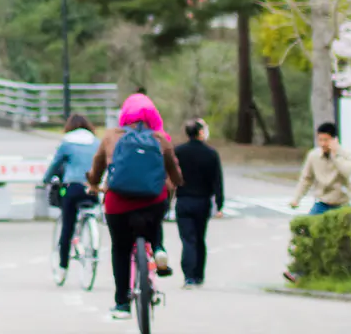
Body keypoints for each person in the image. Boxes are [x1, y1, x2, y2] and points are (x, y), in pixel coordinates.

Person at [88, 93, 183, 320]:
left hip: (118, 203)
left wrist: (93, 183)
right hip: (152, 200)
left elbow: (97, 167)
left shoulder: (111, 137)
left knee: (120, 249)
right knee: (154, 220)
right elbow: (175, 174)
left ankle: (122, 304)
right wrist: (176, 183)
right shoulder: (160, 139)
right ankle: (158, 249)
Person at [41, 113, 100, 273]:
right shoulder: (96, 142)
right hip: (92, 188)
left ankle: (63, 264)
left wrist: (46, 180)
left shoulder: (67, 142)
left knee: (67, 224)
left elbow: (55, 164)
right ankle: (90, 241)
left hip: (72, 187)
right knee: (89, 208)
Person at [173, 119, 225, 288]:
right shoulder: (210, 153)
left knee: (188, 239)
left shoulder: (178, 152)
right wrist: (219, 203)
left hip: (184, 199)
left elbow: (170, 176)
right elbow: (217, 180)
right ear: (200, 132)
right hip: (203, 201)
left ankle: (188, 276)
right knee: (200, 238)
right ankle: (198, 275)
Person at [291, 119, 351, 214]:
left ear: (335, 140)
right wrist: (296, 199)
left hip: (342, 204)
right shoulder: (313, 155)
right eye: (320, 140)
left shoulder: (346, 155)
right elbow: (306, 179)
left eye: (326, 140)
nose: (323, 144)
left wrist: (335, 156)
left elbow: (348, 172)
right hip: (322, 203)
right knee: (307, 227)